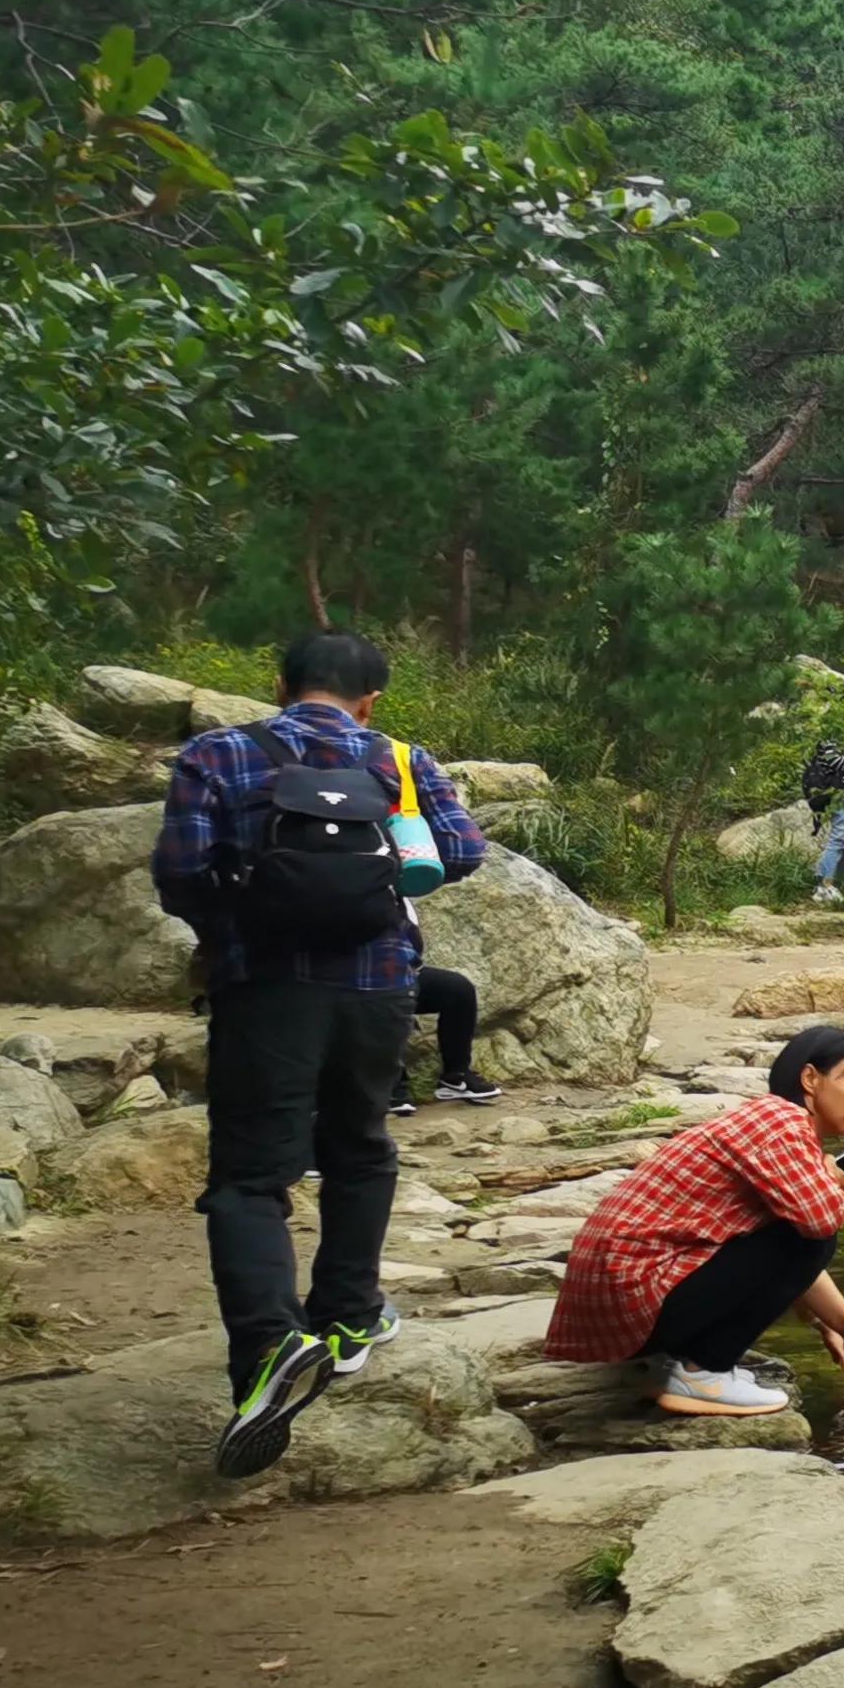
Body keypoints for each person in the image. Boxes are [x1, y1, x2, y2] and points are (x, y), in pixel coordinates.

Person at [150, 629, 485, 1477]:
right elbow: (462, 853)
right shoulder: (398, 759)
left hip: (264, 989)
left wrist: (236, 926)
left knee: (251, 1177)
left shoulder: (218, 753)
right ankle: (346, 1318)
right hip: (379, 988)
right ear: (371, 698)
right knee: (360, 1148)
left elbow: (180, 871)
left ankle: (268, 1346)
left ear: (282, 685)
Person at [544, 1023, 844, 1419]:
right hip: (630, 1293)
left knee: (799, 1231)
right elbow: (817, 1225)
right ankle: (703, 1373)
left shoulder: (765, 1120)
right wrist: (831, 1181)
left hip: (614, 1300)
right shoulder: (781, 1122)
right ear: (810, 1078)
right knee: (817, 1236)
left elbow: (775, 1249)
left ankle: (672, 1365)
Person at [392, 926, 501, 1117]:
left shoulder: (396, 899)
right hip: (355, 977)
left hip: (400, 970)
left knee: (458, 990)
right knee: (381, 999)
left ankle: (455, 1076)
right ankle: (390, 1086)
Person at [803, 736, 844, 903]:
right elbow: (833, 760)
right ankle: (824, 885)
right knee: (840, 836)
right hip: (841, 792)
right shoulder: (834, 730)